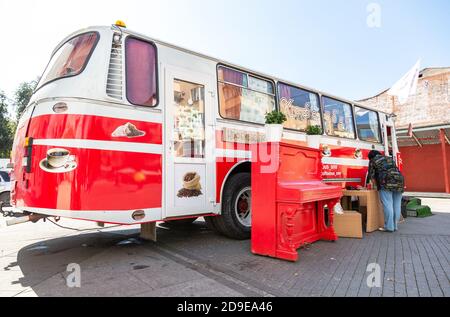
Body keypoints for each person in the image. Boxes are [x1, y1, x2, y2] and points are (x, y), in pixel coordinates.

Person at [367, 150, 405, 232]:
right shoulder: (389, 158)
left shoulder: (373, 161)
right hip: (399, 181)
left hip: (386, 182)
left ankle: (389, 227)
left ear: (371, 157)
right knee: (397, 205)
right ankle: (395, 226)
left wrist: (375, 186)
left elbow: (372, 176)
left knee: (388, 204)